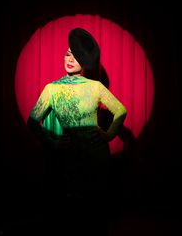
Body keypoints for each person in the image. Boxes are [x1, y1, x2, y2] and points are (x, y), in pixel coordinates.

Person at [27, 28, 127, 235]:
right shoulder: (51, 89)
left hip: (96, 157)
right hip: (67, 158)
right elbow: (32, 122)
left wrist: (108, 135)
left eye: (76, 55)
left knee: (94, 214)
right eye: (67, 53)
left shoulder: (96, 87)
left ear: (85, 61)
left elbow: (121, 111)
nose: (70, 58)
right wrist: (53, 143)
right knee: (69, 214)